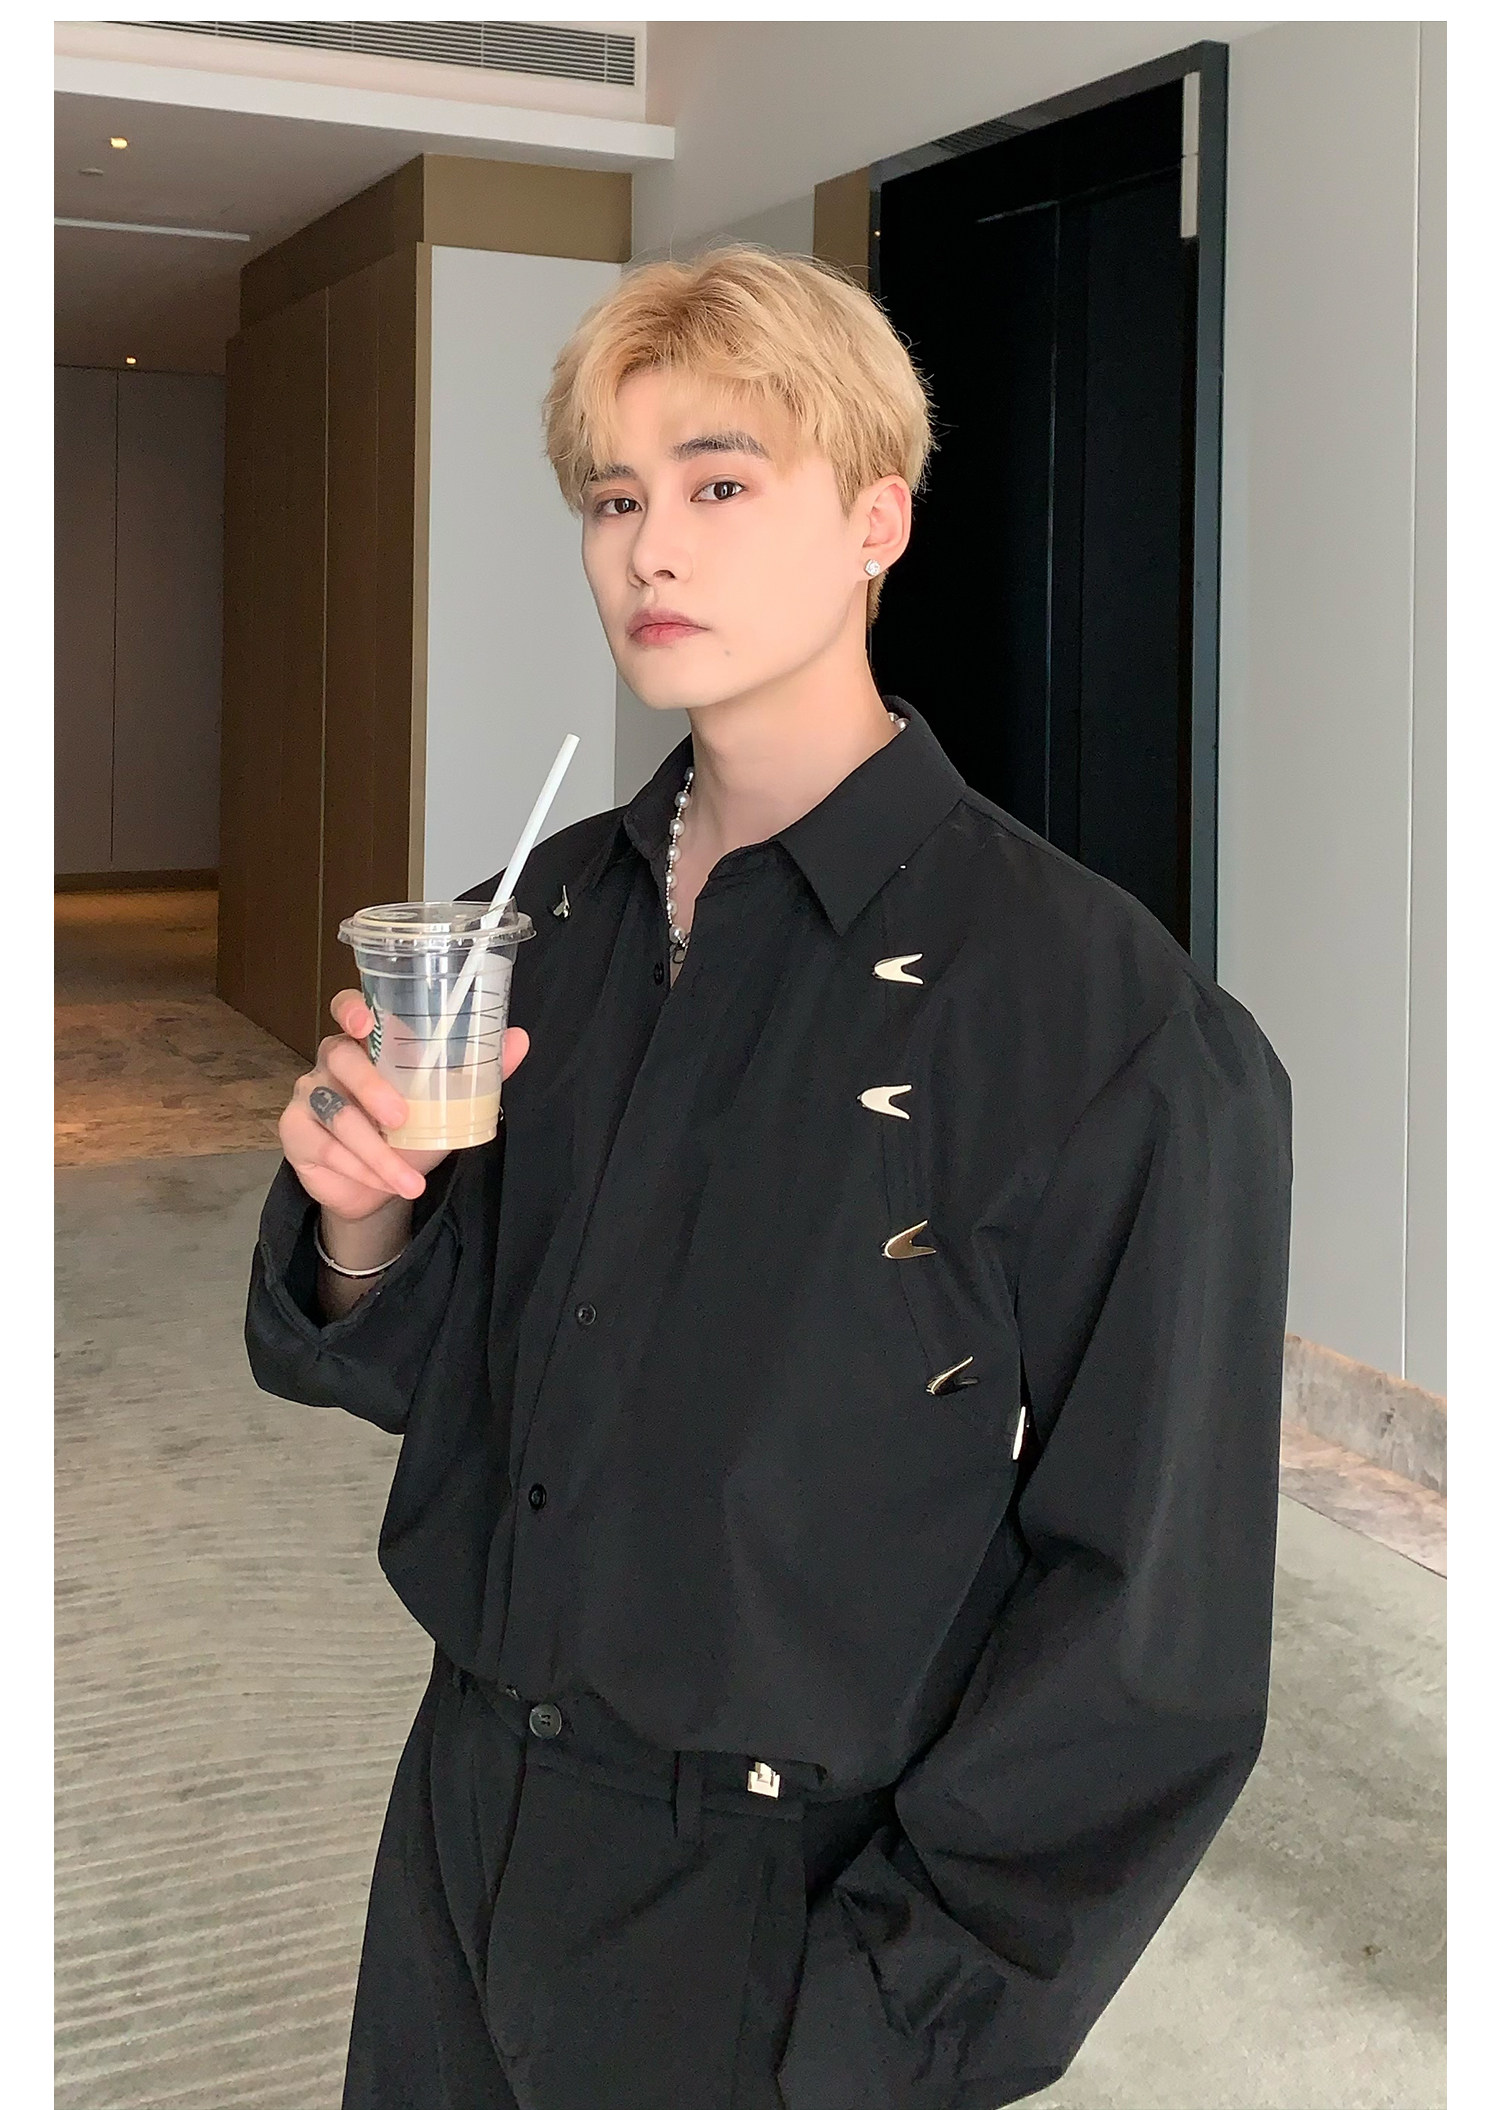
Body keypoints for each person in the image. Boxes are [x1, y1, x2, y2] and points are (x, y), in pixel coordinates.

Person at [246, 246, 1294, 2110]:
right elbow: (463, 1375)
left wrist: (883, 2021)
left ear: (877, 520)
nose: (652, 548)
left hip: (772, 1906)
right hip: (461, 1825)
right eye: (614, 499)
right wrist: (364, 1216)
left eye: (720, 484)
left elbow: (1153, 1633)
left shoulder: (1103, 1022)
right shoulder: (537, 924)